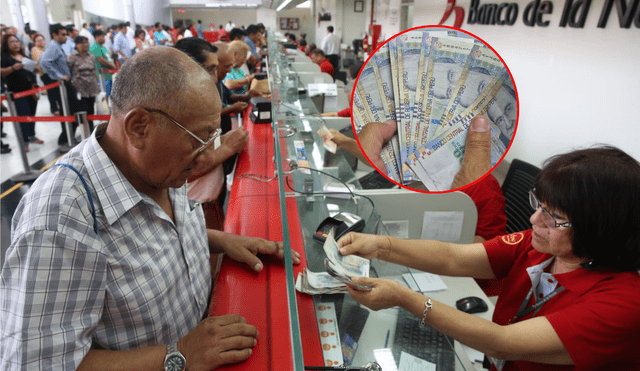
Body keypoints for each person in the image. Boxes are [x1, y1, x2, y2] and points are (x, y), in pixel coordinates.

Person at [0, 46, 301, 370]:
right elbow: (35, 363)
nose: (204, 155)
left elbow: (148, 232)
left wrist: (219, 239)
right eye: (198, 138)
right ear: (139, 127)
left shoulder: (157, 166)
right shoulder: (59, 219)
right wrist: (179, 354)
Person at [338, 138, 640, 370]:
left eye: (552, 216)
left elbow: (502, 343)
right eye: (539, 205)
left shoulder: (624, 303)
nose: (534, 220)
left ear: (600, 229)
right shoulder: (544, 246)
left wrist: (403, 297)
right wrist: (381, 246)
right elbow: (453, 258)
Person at [174, 38, 249, 232]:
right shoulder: (179, 110)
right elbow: (186, 170)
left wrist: (225, 139)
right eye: (211, 69)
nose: (216, 78)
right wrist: (229, 147)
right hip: (195, 209)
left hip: (209, 204)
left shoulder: (199, 101)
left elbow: (207, 146)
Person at [1, 34, 42, 150]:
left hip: (31, 89)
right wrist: (13, 68)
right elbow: (1, 72)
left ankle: (32, 135)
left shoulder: (24, 55)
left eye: (17, 41)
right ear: (6, 45)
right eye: (12, 42)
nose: (15, 44)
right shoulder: (4, 58)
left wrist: (35, 69)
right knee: (23, 115)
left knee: (32, 114)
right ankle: (25, 141)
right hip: (18, 92)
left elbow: (30, 70)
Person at [67, 36, 100, 132]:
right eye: (82, 43)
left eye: (86, 42)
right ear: (77, 45)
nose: (85, 45)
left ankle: (90, 129)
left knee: (91, 110)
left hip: (91, 88)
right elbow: (70, 72)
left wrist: (97, 85)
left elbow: (94, 71)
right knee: (82, 110)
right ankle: (85, 131)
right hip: (79, 89)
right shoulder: (72, 57)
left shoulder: (91, 56)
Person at [90, 30, 117, 99]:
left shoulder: (103, 47)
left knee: (109, 95)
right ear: (97, 37)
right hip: (102, 77)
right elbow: (100, 59)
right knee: (104, 96)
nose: (104, 39)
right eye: (102, 37)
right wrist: (112, 66)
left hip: (108, 75)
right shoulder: (95, 47)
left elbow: (108, 58)